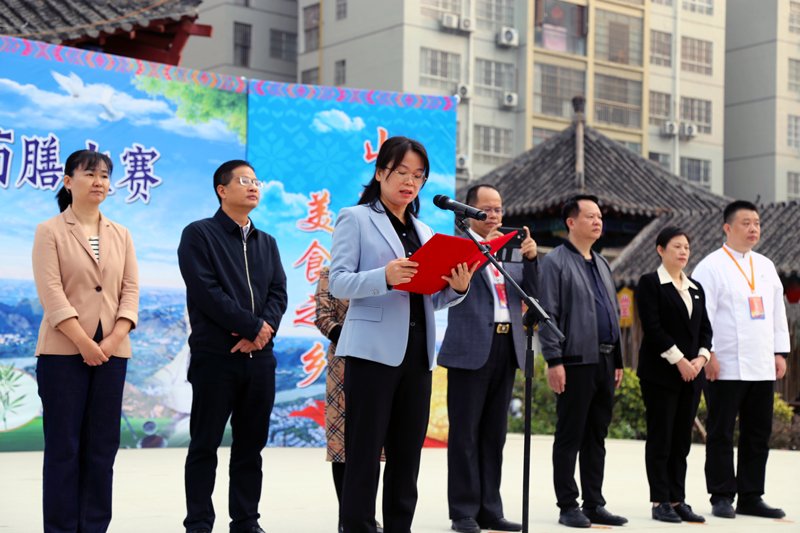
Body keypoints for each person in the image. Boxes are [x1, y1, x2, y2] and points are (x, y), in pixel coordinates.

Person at [329, 136, 476, 533]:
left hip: (417, 355)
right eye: (402, 173)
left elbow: (431, 297)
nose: (410, 182)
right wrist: (385, 276)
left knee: (407, 457)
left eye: (419, 175)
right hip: (371, 354)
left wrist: (458, 289)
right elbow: (338, 282)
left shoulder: (425, 230)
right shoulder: (355, 218)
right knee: (363, 455)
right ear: (380, 173)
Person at [178, 160, 288, 533]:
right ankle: (198, 523)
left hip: (260, 361)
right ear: (222, 190)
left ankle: (246, 521)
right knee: (204, 445)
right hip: (216, 358)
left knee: (250, 448)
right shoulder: (199, 234)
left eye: (256, 181)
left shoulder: (267, 242)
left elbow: (278, 292)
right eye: (244, 180)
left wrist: (262, 332)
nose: (253, 186)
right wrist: (253, 326)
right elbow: (206, 291)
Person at [32, 149, 139, 533]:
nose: (99, 182)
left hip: (112, 353)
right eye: (90, 174)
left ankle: (94, 526)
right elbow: (52, 293)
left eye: (105, 175)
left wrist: (113, 339)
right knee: (64, 448)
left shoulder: (121, 234)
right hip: (63, 352)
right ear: (68, 181)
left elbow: (130, 291)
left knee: (101, 448)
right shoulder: (50, 231)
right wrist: (84, 342)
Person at [437, 184, 538, 533]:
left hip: (507, 345)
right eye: (487, 209)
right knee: (465, 434)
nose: (494, 215)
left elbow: (533, 294)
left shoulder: (510, 249)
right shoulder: (457, 246)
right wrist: (486, 249)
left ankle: (490, 510)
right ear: (469, 212)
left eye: (499, 209)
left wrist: (531, 260)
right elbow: (452, 285)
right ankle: (463, 511)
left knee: (495, 435)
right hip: (469, 348)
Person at [692, 200, 790, 520]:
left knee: (757, 432)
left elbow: (776, 312)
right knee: (721, 432)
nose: (753, 229)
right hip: (724, 364)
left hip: (761, 363)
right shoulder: (710, 266)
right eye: (746, 223)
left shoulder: (765, 265)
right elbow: (701, 315)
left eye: (757, 223)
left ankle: (751, 495)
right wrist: (708, 353)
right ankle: (721, 495)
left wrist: (779, 352)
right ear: (727, 228)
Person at [537, 194, 627, 529]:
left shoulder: (602, 263)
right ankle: (567, 505)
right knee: (570, 435)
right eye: (590, 216)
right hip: (574, 361)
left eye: (599, 216)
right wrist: (554, 360)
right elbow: (548, 315)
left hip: (605, 360)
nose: (597, 221)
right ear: (571, 222)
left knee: (596, 435)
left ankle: (594, 503)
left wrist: (618, 360)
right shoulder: (555, 262)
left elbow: (612, 313)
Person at [635, 227, 712, 524]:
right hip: (661, 374)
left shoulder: (696, 287)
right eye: (677, 246)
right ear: (660, 249)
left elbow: (705, 329)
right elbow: (653, 328)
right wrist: (679, 360)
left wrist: (701, 358)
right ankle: (660, 500)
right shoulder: (650, 283)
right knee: (661, 437)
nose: (683, 252)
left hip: (693, 375)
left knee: (681, 440)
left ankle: (677, 499)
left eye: (686, 248)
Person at [314, 267, 384, 533]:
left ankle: (367, 516)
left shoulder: (384, 272)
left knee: (373, 444)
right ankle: (347, 517)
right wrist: (357, 338)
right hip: (344, 363)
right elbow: (323, 318)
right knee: (343, 444)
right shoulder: (330, 273)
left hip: (382, 360)